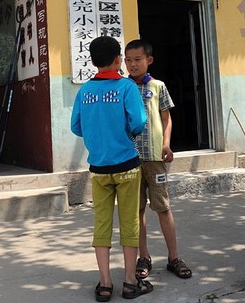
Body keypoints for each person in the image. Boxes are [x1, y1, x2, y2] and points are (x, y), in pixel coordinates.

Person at [71, 36, 154, 301]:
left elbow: (76, 127)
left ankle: (105, 284)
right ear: (119, 60)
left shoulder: (84, 91)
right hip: (128, 166)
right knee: (129, 223)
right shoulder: (127, 87)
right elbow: (139, 121)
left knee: (102, 224)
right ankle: (130, 282)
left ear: (93, 62)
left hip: (99, 168)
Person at [124, 39, 193, 280]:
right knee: (137, 210)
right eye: (128, 60)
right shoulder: (122, 87)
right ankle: (144, 257)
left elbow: (166, 119)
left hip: (155, 158)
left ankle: (174, 257)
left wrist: (166, 143)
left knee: (163, 207)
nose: (132, 64)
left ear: (149, 60)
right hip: (130, 159)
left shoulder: (158, 87)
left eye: (137, 59)